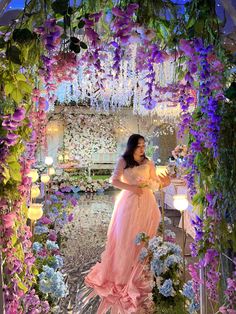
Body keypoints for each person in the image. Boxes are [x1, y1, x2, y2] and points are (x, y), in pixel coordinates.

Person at [85, 134, 170, 313]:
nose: (142, 149)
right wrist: (132, 188)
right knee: (128, 237)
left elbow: (154, 183)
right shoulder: (123, 161)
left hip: (147, 202)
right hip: (130, 202)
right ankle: (125, 271)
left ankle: (144, 271)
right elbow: (114, 180)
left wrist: (164, 183)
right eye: (139, 146)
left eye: (143, 145)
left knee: (147, 236)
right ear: (132, 146)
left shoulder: (149, 162)